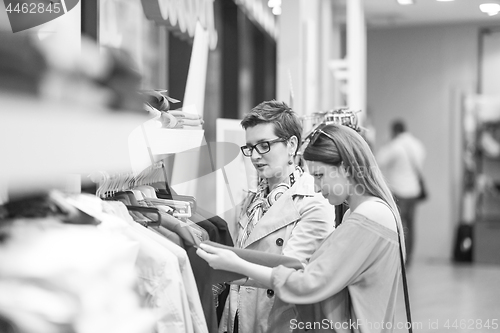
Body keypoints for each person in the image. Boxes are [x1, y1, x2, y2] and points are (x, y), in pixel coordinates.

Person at [197, 123, 406, 333]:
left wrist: (239, 265)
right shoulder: (363, 212)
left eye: (319, 175)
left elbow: (309, 282)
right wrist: (236, 268)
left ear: (345, 167)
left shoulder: (368, 217)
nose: (315, 186)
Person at [217, 100, 335, 333]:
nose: (255, 156)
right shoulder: (254, 197)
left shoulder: (313, 202)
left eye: (264, 145)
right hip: (238, 316)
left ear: (291, 145)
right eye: (250, 147)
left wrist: (227, 269)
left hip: (278, 321)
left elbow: (291, 274)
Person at [377, 119, 426, 265]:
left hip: (399, 191)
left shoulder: (395, 146)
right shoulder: (418, 145)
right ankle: (408, 259)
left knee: (397, 226)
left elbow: (379, 160)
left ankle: (398, 257)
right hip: (414, 192)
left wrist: (387, 142)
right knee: (410, 226)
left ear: (394, 131)